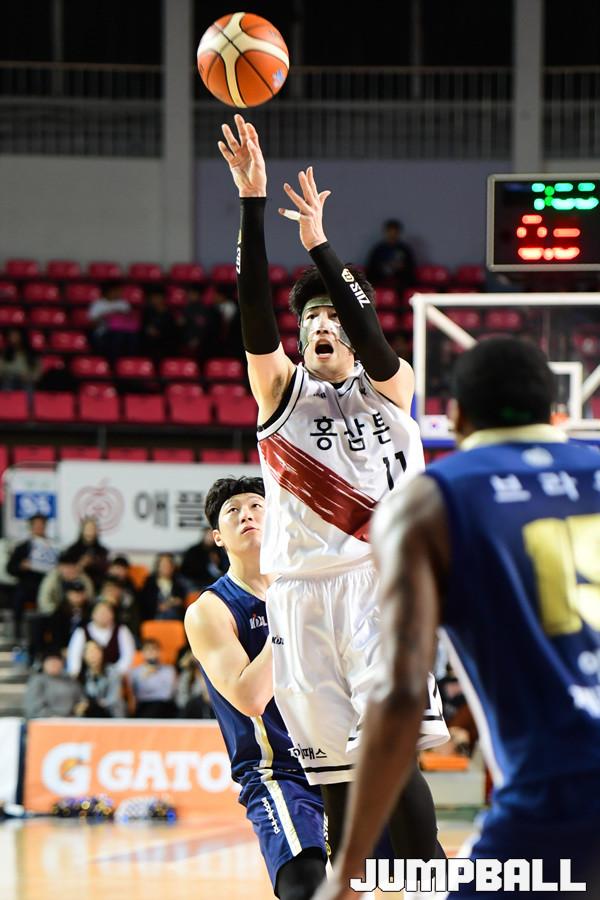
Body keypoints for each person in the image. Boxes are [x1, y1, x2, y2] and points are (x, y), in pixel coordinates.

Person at [218, 114, 448, 862]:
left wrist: (319, 244)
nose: (321, 324)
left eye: (332, 316)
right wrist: (253, 202)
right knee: (336, 779)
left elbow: (369, 330)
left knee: (394, 753)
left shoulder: (391, 385)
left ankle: (429, 879)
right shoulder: (278, 391)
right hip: (298, 598)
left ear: (349, 327)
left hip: (380, 585)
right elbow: (256, 317)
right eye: (310, 317)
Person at [316, 337, 600, 900]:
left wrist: (348, 872)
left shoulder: (425, 503)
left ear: (456, 417)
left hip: (560, 794)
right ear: (557, 410)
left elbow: (401, 693)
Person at [185, 476, 327, 900]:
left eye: (256, 506)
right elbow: (250, 698)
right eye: (233, 511)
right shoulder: (210, 609)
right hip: (278, 771)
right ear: (217, 536)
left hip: (339, 757)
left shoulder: (310, 584)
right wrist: (285, 616)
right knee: (306, 885)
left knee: (416, 866)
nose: (246, 515)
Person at [7, 514, 58, 640]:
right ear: (30, 527)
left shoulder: (54, 546)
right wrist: (21, 566)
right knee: (18, 596)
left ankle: (50, 634)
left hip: (48, 584)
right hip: (28, 584)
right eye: (36, 525)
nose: (39, 528)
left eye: (41, 525)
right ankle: (17, 633)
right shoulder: (22, 547)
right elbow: (10, 568)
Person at [66, 600, 136, 677]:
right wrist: (75, 675)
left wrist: (117, 673)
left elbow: (128, 655)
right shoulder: (81, 631)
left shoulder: (122, 630)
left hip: (115, 675)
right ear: (92, 614)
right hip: (87, 676)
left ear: (112, 614)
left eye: (107, 612)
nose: (103, 615)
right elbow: (74, 656)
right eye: (100, 612)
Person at [127, 637, 178, 718]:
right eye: (147, 649)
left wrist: (156, 672)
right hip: (143, 706)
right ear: (142, 653)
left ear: (159, 652)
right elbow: (134, 695)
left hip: (164, 705)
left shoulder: (169, 670)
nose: (151, 652)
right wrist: (145, 676)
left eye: (154, 649)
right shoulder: (135, 672)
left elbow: (168, 694)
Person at [24, 652, 83, 719]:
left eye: (56, 661)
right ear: (44, 664)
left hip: (71, 720)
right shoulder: (37, 681)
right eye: (50, 661)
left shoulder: (70, 680)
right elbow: (34, 708)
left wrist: (81, 706)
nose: (54, 664)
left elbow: (81, 699)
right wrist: (53, 717)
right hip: (45, 720)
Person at [365, 218, 416, 295]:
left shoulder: (404, 250)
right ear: (386, 232)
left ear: (398, 233)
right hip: (380, 282)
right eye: (390, 232)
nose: (392, 235)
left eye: (395, 233)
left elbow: (411, 270)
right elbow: (371, 270)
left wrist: (401, 268)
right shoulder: (378, 250)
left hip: (399, 284)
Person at [75, 639, 125, 718]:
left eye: (95, 651)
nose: (93, 655)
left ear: (102, 653)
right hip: (90, 712)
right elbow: (81, 698)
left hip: (111, 712)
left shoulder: (112, 672)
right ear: (84, 656)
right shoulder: (81, 675)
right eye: (89, 652)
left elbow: (114, 697)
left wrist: (99, 703)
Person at [37, 547, 94, 614]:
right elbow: (44, 602)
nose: (70, 570)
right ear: (59, 567)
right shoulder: (52, 578)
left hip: (79, 613)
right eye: (67, 567)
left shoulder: (83, 578)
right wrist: (58, 613)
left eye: (73, 567)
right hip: (56, 613)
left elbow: (90, 597)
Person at [139, 552, 187, 621]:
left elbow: (180, 600)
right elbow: (146, 602)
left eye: (169, 565)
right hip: (155, 616)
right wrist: (158, 606)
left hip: (174, 616)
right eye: (164, 565)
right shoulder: (150, 582)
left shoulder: (178, 582)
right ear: (158, 567)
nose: (167, 568)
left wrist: (171, 604)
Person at [65, 517, 109, 591]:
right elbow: (66, 570)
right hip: (75, 586)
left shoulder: (102, 551)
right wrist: (81, 564)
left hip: (97, 586)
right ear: (82, 530)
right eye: (88, 528)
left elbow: (104, 569)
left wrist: (93, 562)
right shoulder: (72, 550)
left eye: (93, 528)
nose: (90, 531)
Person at [179, 527, 228, 594]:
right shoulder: (194, 551)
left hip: (215, 581)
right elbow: (187, 570)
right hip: (196, 581)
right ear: (204, 535)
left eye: (212, 535)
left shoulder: (219, 551)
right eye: (209, 535)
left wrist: (217, 562)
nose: (211, 538)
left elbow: (224, 569)